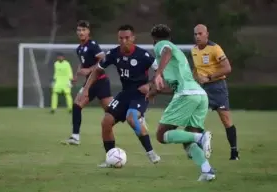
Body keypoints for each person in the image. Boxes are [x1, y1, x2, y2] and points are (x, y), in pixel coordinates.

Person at [79, 24, 160, 167]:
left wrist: (150, 85)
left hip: (140, 95)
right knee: (106, 122)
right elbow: (97, 70)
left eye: (127, 38)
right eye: (120, 38)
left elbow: (161, 72)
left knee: (131, 118)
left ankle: (151, 153)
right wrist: (86, 89)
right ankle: (110, 157)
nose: (123, 41)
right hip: (124, 94)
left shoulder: (144, 55)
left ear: (133, 38)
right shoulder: (113, 54)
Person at [147, 24, 215, 181]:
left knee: (161, 134)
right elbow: (174, 86)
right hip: (200, 96)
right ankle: (207, 171)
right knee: (187, 139)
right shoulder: (177, 56)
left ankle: (201, 137)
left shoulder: (162, 45)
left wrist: (158, 74)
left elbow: (166, 51)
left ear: (154, 39)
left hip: (187, 95)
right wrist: (156, 90)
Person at [191, 24, 239, 160]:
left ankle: (234, 152)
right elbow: (196, 69)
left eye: (200, 34)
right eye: (195, 34)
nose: (197, 37)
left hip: (217, 87)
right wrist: (195, 78)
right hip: (202, 89)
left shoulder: (215, 48)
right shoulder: (194, 50)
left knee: (226, 119)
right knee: (196, 118)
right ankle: (198, 150)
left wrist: (209, 77)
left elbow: (227, 68)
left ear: (207, 34)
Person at [62, 20, 113, 145]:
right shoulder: (79, 48)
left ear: (88, 32)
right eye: (79, 30)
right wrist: (76, 75)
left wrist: (90, 70)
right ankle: (75, 137)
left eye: (84, 30)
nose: (81, 32)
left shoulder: (93, 45)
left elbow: (103, 59)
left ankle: (137, 117)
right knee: (77, 105)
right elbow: (82, 64)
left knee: (113, 111)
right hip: (90, 83)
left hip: (101, 82)